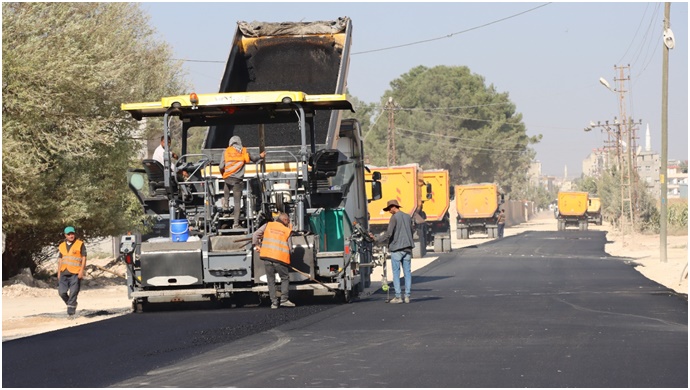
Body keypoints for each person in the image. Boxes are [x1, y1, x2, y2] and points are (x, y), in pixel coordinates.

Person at [371, 199, 415, 304]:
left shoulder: (394, 217)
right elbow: (411, 231)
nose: (389, 211)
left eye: (389, 209)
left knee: (396, 273)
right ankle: (407, 296)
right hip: (408, 248)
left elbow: (389, 233)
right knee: (407, 273)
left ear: (393, 207)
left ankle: (398, 297)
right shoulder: (408, 217)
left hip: (397, 249)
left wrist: (376, 240)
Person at [219, 136, 265, 229]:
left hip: (227, 178)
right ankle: (236, 224)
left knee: (226, 187)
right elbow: (255, 159)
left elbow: (221, 166)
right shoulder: (244, 151)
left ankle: (225, 206)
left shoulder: (226, 151)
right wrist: (261, 156)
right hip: (237, 181)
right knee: (237, 203)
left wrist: (223, 174)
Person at [252, 212, 296, 309]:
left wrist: (257, 246)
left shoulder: (268, 225)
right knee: (284, 278)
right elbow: (290, 248)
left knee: (270, 280)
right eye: (288, 221)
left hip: (267, 258)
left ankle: (274, 303)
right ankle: (284, 300)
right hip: (280, 259)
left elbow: (255, 235)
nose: (288, 223)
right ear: (285, 220)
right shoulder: (286, 230)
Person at [57, 226, 87, 316]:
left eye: (72, 234)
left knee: (73, 292)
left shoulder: (80, 244)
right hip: (64, 272)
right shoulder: (62, 246)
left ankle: (71, 313)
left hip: (75, 272)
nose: (71, 236)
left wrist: (82, 270)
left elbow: (84, 257)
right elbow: (60, 259)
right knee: (62, 292)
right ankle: (72, 304)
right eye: (69, 234)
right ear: (65, 235)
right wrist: (58, 272)